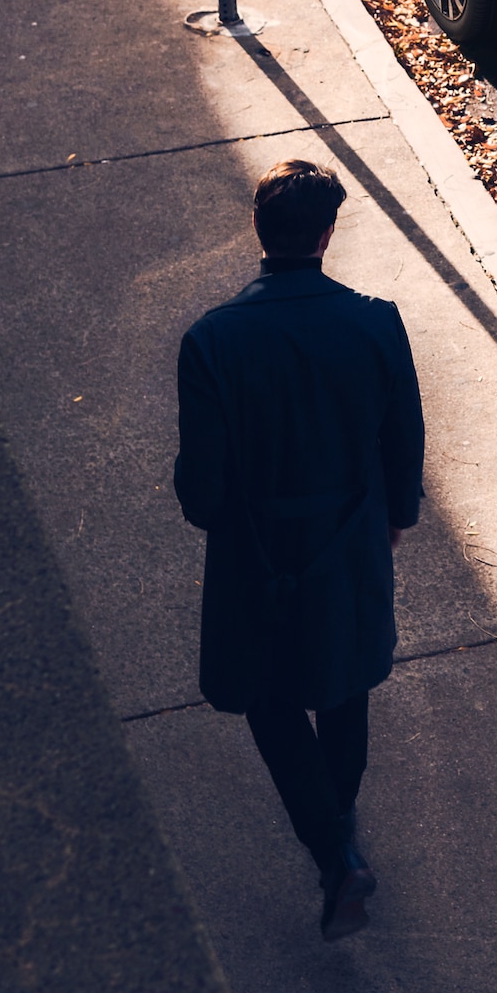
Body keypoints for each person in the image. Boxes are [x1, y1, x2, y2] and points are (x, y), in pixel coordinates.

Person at [172, 158, 425, 940]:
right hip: (347, 544)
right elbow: (403, 440)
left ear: (260, 230)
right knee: (344, 687)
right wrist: (394, 518)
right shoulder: (376, 322)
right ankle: (338, 822)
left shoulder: (212, 340)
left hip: (258, 552)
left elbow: (201, 491)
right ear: (326, 234)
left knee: (269, 695)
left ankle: (333, 846)